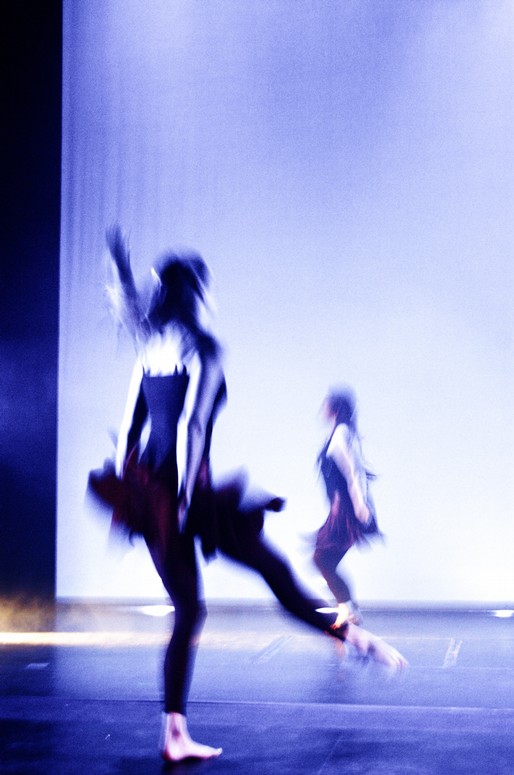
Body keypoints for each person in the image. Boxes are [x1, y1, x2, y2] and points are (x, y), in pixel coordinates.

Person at [97, 225, 352, 763]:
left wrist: (128, 490)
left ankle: (174, 733)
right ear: (197, 293)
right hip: (184, 490)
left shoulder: (149, 350)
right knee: (259, 573)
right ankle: (346, 634)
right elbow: (190, 427)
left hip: (153, 488)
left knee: (192, 608)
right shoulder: (203, 349)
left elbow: (129, 427)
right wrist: (185, 497)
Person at [313, 387, 408, 669]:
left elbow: (353, 472)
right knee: (324, 559)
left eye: (326, 404)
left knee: (322, 558)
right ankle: (347, 609)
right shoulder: (341, 432)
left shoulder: (341, 433)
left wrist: (359, 507)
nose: (322, 408)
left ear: (334, 408)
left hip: (346, 509)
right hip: (342, 508)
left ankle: (347, 609)